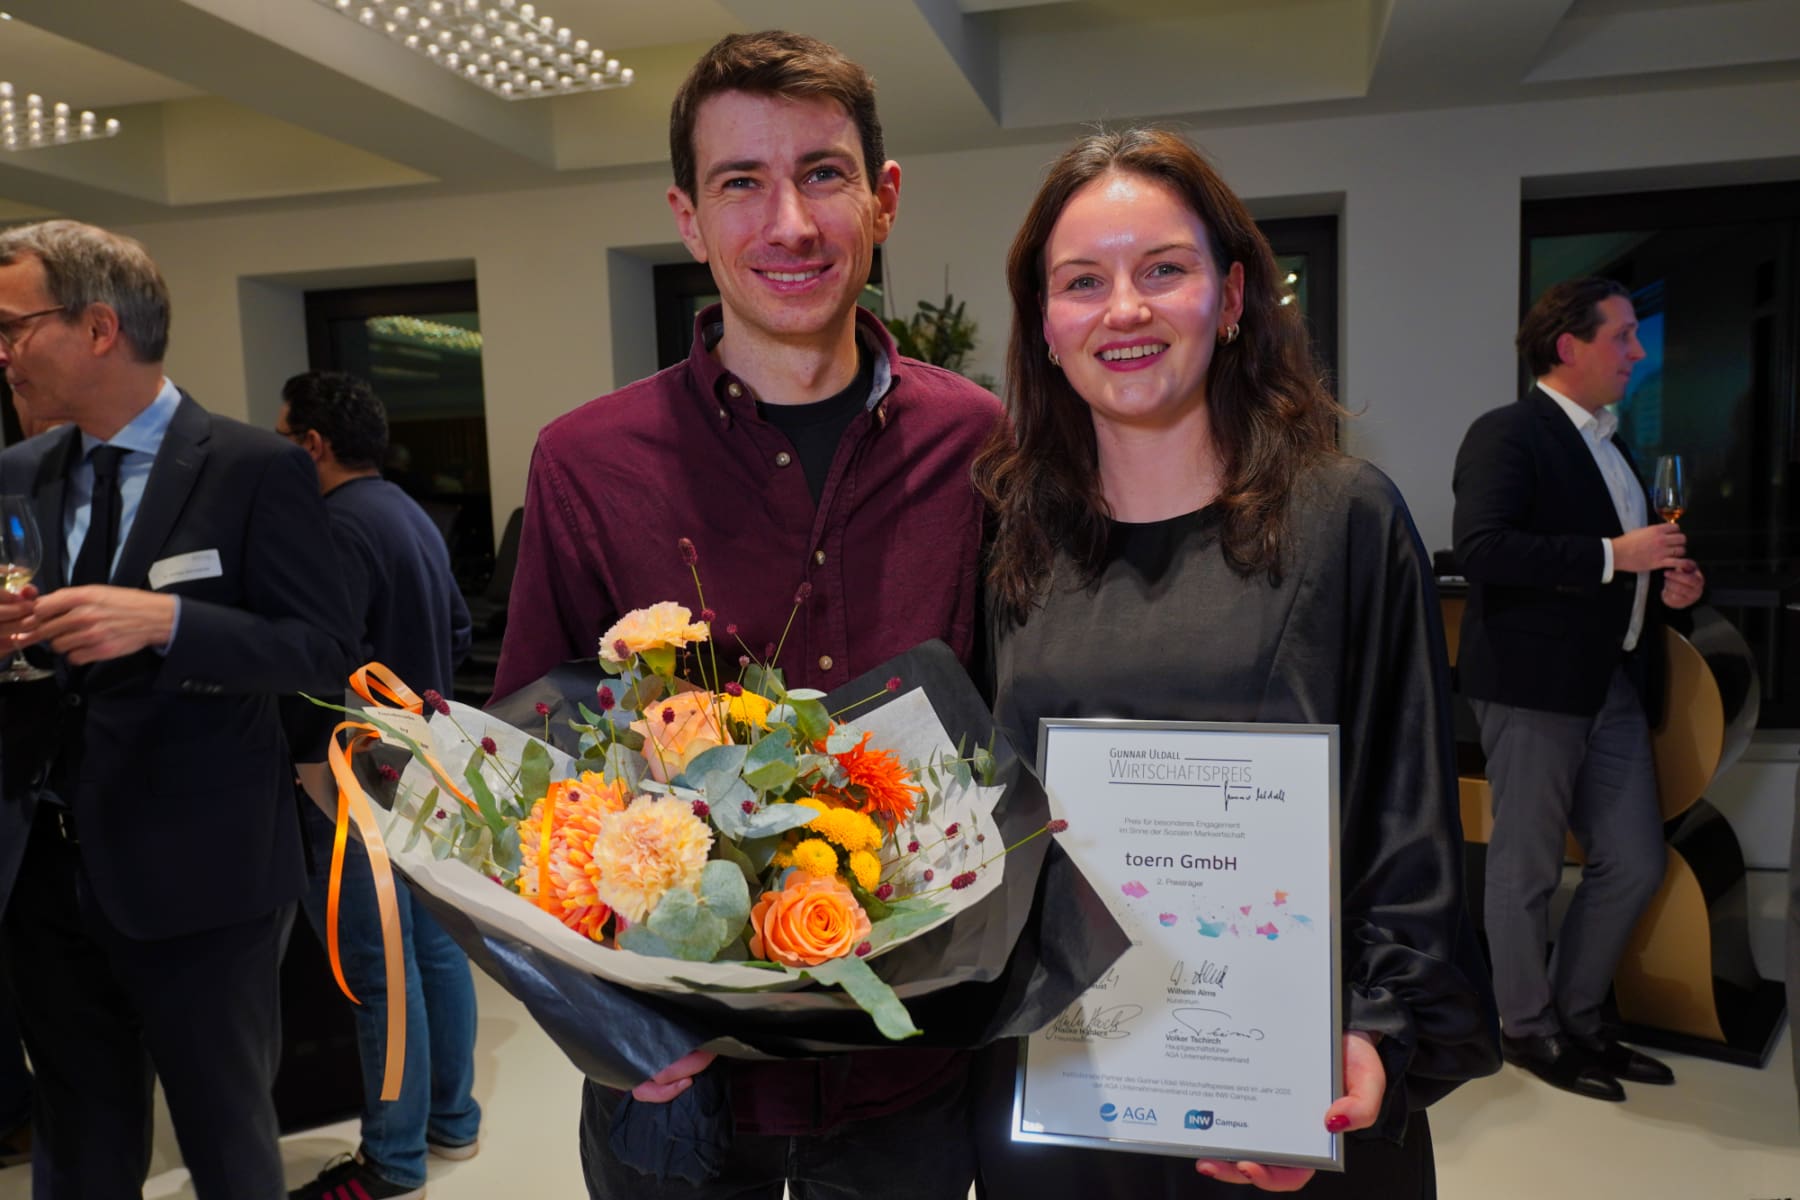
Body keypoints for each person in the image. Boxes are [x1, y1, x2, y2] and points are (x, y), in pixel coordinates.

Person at [492, 29, 1002, 1200]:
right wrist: (599, 1017)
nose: (789, 224)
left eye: (823, 173)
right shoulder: (586, 463)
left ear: (883, 200)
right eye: (742, 183)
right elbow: (529, 776)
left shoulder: (981, 445)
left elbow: (1015, 732)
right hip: (677, 1088)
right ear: (687, 217)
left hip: (905, 1079)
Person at [973, 128, 1500, 1197]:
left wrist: (1378, 1033)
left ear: (1235, 294)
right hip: (1066, 1087)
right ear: (1045, 322)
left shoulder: (1343, 517)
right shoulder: (1006, 529)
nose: (1125, 309)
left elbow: (1409, 814)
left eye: (1163, 269)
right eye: (1083, 282)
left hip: (1287, 1090)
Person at [0, 220, 354, 1197]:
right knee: (76, 1145)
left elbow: (322, 652)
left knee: (226, 1139)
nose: (0, 352)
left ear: (98, 327)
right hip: (42, 873)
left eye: (13, 325)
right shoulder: (17, 475)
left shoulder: (251, 468)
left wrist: (169, 623)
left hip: (205, 880)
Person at [1453, 277, 1704, 1104]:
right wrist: (1613, 557)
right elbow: (1483, 550)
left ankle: (1581, 1015)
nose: (1638, 352)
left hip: (1612, 684)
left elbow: (1633, 556)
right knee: (1523, 873)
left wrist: (1668, 582)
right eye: (1625, 336)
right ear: (1570, 346)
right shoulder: (1508, 434)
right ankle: (1526, 1030)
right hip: (1532, 688)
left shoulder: (1616, 445)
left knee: (1632, 861)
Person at [277, 370, 482, 1200]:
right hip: (424, 756)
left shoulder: (331, 526)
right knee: (434, 945)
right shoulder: (408, 513)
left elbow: (319, 658)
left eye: (287, 435)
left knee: (377, 963)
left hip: (355, 770)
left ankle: (393, 1161)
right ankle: (453, 1122)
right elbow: (461, 630)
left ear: (313, 444)